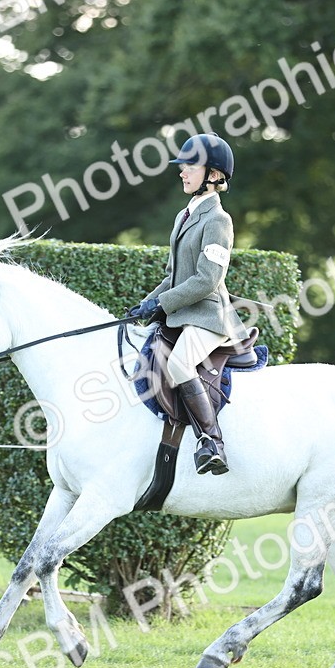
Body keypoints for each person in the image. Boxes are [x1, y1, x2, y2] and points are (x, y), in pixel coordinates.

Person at [129, 133, 250, 476]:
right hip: (182, 315)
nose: (182, 172)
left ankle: (212, 442)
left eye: (190, 167)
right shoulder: (184, 215)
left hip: (209, 317)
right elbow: (173, 276)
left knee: (180, 365)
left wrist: (163, 303)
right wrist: (146, 304)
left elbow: (206, 279)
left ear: (214, 174)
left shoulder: (218, 220)